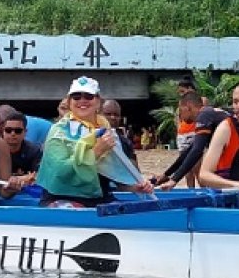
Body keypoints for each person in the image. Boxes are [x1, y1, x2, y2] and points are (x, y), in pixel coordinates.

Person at [36, 76, 154, 208]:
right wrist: (96, 152)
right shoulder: (59, 132)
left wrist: (136, 186)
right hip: (62, 197)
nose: (82, 100)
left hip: (99, 198)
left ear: (98, 102)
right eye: (76, 96)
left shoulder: (107, 132)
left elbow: (116, 174)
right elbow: (61, 172)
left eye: (88, 96)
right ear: (69, 102)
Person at [158, 92, 228, 189]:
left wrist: (174, 180)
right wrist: (167, 174)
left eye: (180, 110)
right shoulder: (210, 113)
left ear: (188, 106)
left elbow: (197, 151)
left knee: (206, 176)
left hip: (237, 156)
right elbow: (189, 151)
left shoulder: (204, 115)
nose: (180, 115)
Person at [198, 81, 239, 189]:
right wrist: (237, 185)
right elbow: (204, 175)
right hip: (231, 194)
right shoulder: (226, 128)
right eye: (235, 102)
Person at [0, 111, 43, 178]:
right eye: (8, 130)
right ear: (3, 131)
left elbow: (37, 175)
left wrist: (17, 179)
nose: (13, 134)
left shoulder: (34, 151)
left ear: (25, 132)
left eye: (18, 131)